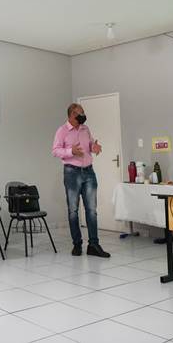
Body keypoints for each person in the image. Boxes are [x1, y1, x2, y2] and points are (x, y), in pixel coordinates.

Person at [52, 103, 110, 258]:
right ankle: (77, 244)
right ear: (72, 115)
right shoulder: (62, 131)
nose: (83, 115)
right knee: (73, 210)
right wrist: (71, 151)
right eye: (80, 113)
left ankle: (93, 245)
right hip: (72, 172)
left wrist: (94, 147)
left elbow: (90, 144)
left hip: (89, 172)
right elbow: (55, 151)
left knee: (91, 210)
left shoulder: (85, 129)